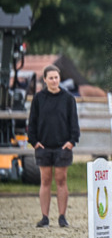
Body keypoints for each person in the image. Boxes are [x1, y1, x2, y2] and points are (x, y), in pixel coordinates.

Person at [28, 64, 80, 227]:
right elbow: (32, 122)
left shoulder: (68, 98)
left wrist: (71, 142)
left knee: (61, 179)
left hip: (62, 147)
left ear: (59, 79)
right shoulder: (38, 99)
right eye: (50, 78)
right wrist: (34, 142)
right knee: (45, 180)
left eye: (56, 77)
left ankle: (62, 217)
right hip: (43, 146)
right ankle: (44, 217)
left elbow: (74, 122)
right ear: (45, 80)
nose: (54, 80)